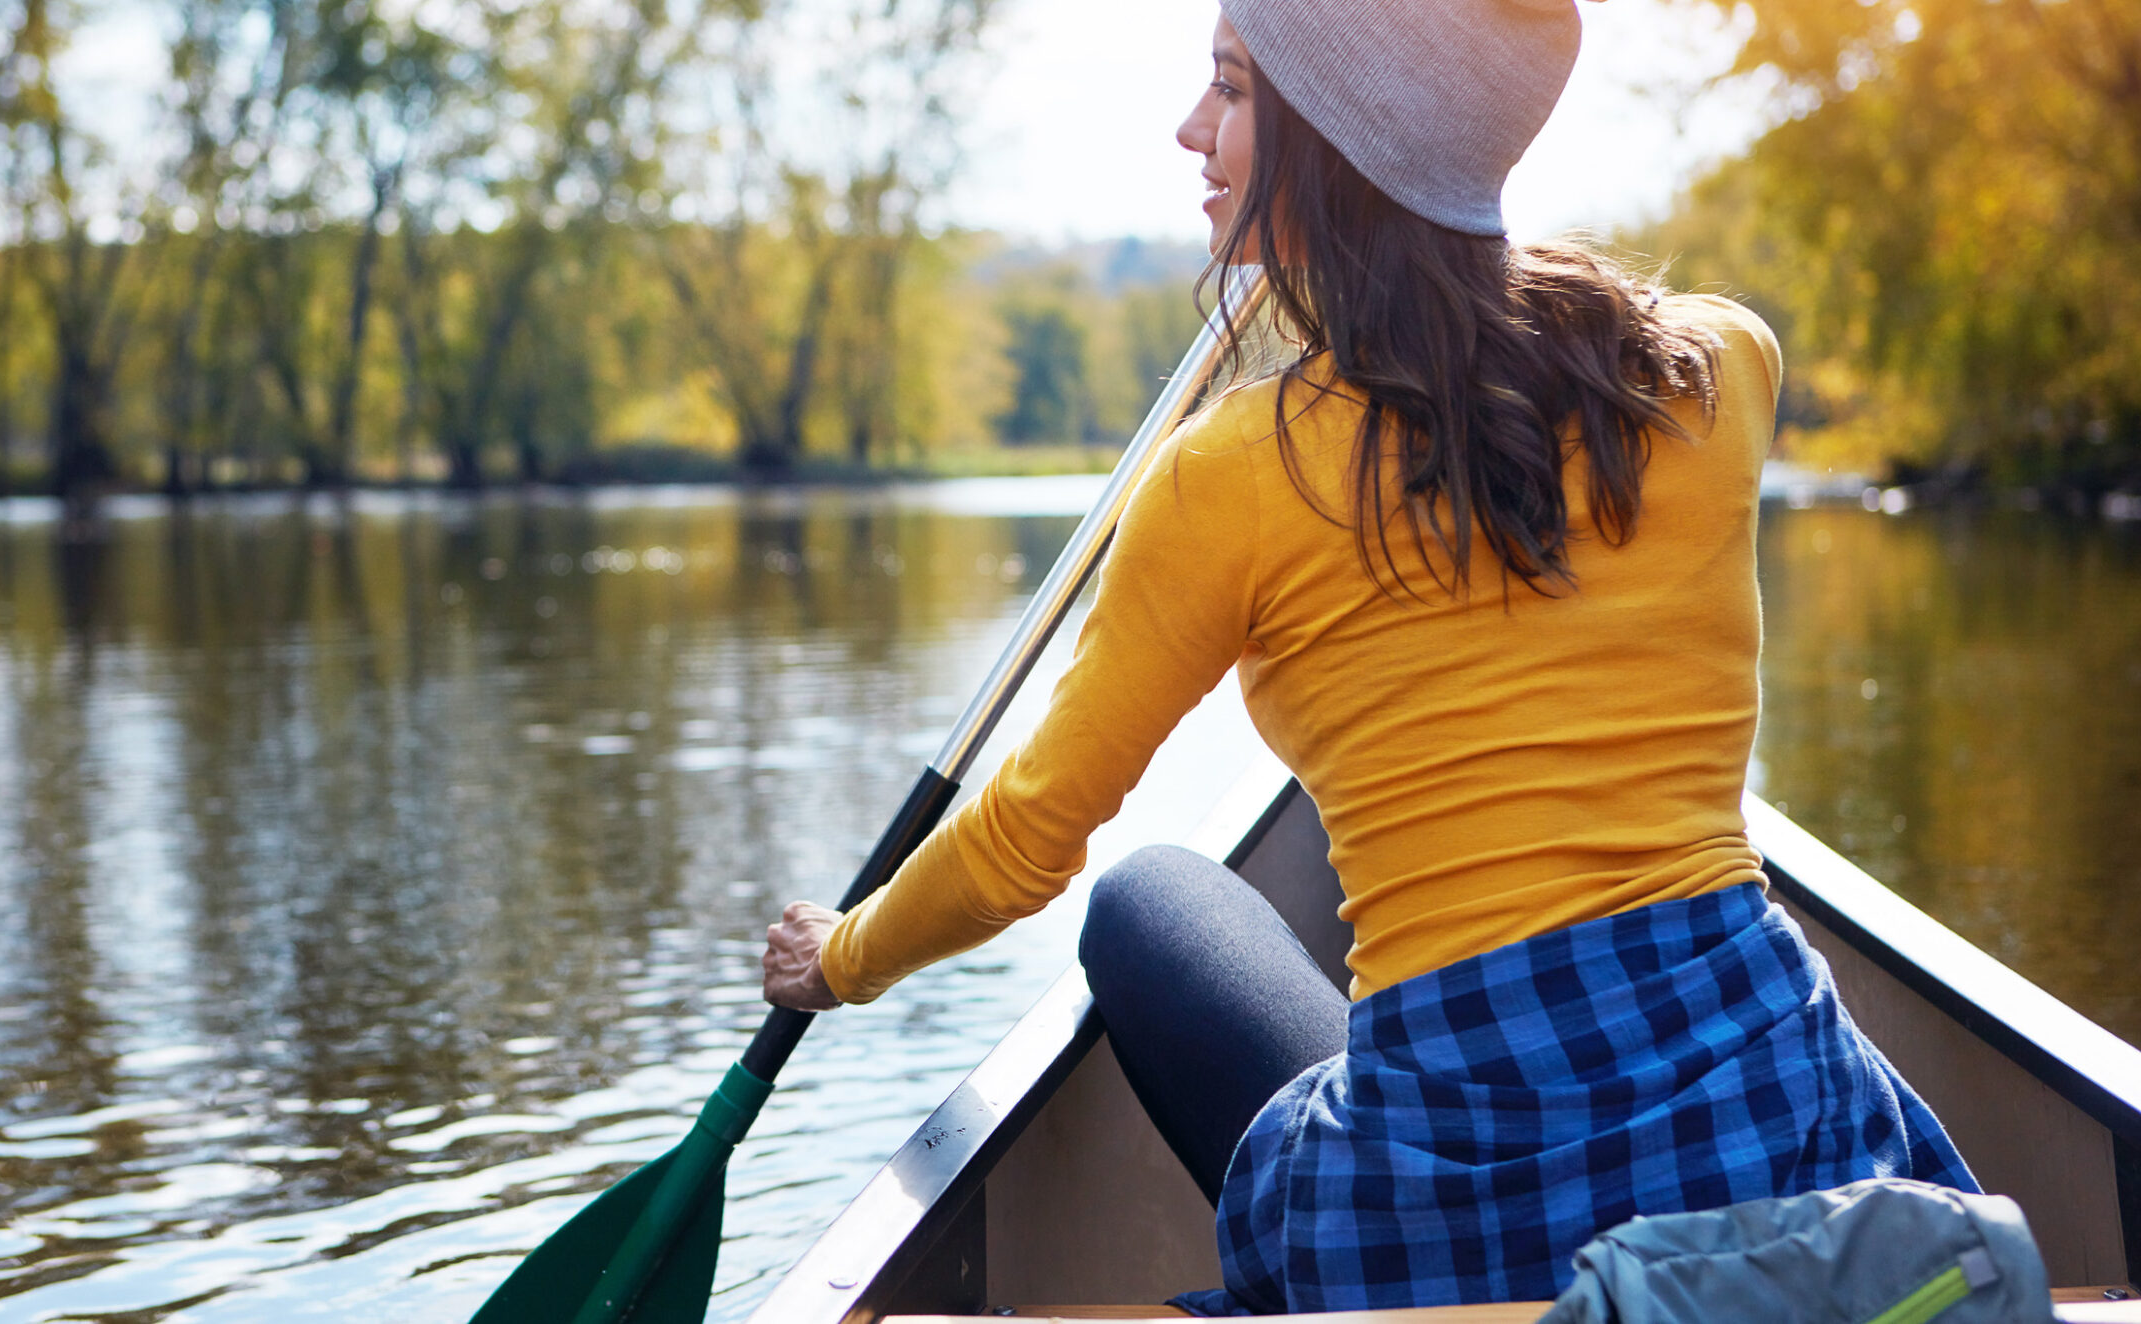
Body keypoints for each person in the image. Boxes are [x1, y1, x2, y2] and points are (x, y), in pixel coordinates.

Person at [761, 0, 1975, 1314]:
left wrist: (839, 956)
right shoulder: (1715, 374)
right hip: (1763, 1126)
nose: (1191, 131)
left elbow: (1022, 847)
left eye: (1229, 89)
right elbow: (1570, 328)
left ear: (1337, 139)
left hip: (1461, 1199)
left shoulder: (1229, 479)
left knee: (1146, 900)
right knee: (1740, 1009)